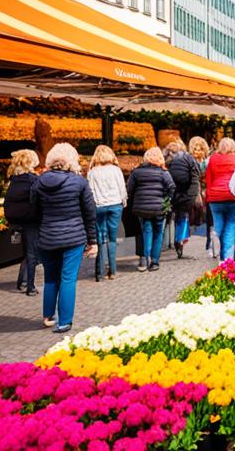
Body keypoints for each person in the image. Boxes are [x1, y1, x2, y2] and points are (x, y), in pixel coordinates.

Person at [30, 143, 97, 333]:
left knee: (50, 278)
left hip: (47, 237)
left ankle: (48, 316)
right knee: (68, 278)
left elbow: (34, 212)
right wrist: (92, 241)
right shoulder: (79, 182)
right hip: (73, 237)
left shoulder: (38, 183)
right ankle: (65, 321)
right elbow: (90, 212)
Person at [127, 147, 175, 272]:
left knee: (146, 231)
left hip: (142, 209)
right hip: (159, 208)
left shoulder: (136, 173)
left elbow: (129, 189)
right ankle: (155, 262)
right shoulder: (164, 173)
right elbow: (171, 187)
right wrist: (166, 201)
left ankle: (145, 258)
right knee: (158, 233)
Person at [3, 149, 40, 296]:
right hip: (31, 221)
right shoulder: (34, 180)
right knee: (32, 254)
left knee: (26, 252)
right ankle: (30, 286)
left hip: (16, 221)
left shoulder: (13, 181)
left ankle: (22, 281)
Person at [86, 145, 126, 280]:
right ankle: (113, 271)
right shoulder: (116, 170)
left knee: (100, 238)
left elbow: (90, 191)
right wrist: (123, 203)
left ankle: (100, 271)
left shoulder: (92, 172)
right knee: (112, 238)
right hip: (115, 205)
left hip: (99, 206)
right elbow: (122, 188)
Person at [205, 138, 235, 260]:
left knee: (218, 225)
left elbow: (208, 178)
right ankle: (227, 258)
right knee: (231, 226)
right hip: (231, 196)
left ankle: (215, 246)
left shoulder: (213, 159)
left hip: (215, 197)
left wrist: (209, 194)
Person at [164, 140, 200, 259]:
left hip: (169, 194)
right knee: (182, 217)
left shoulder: (164, 159)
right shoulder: (187, 159)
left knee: (166, 219)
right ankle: (179, 241)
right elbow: (195, 175)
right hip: (184, 193)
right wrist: (192, 195)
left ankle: (164, 244)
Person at [188, 136, 213, 256]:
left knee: (208, 217)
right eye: (195, 149)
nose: (197, 151)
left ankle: (208, 240)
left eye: (200, 149)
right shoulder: (189, 161)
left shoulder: (207, 162)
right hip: (195, 192)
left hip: (206, 191)